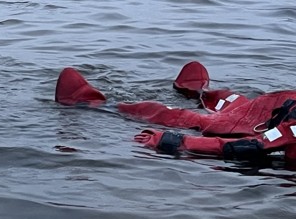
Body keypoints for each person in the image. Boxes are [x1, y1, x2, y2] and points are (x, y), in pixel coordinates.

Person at [55, 61, 296, 163]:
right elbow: (251, 144)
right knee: (230, 103)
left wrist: (171, 140)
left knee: (198, 116)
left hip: (266, 122)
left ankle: (88, 102)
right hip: (270, 113)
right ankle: (199, 89)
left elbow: (245, 146)